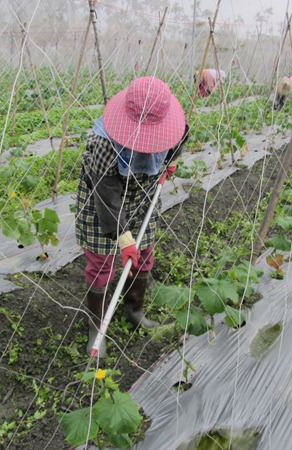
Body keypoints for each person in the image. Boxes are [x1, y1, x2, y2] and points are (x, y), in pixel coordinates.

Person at [75, 76, 189, 357]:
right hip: (104, 201)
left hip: (143, 194)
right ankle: (96, 329)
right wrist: (123, 238)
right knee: (102, 264)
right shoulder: (102, 143)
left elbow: (182, 137)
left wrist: (172, 161)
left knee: (144, 255)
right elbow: (106, 191)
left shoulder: (174, 123)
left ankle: (134, 310)